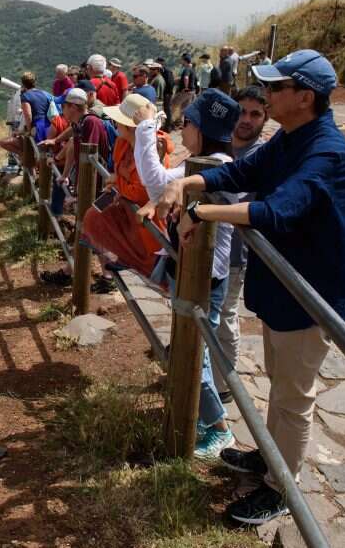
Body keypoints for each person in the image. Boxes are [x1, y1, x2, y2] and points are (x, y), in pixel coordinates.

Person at [139, 49, 345, 526]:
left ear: (304, 97)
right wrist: (190, 182)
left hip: (310, 297)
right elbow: (240, 173)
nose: (268, 94)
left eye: (277, 88)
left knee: (293, 399)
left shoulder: (326, 151)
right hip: (286, 291)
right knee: (279, 386)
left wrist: (202, 211)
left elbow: (278, 209)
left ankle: (281, 490)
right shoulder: (293, 138)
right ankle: (270, 459)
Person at [134, 89, 242, 458]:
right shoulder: (203, 162)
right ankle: (195, 414)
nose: (182, 131)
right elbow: (164, 186)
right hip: (197, 270)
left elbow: (155, 181)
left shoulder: (214, 167)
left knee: (197, 353)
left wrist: (146, 127)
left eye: (188, 123)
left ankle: (218, 428)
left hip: (205, 275)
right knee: (189, 345)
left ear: (203, 129)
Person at [80, 93, 173, 292]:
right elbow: (128, 181)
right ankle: (125, 259)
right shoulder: (123, 143)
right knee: (94, 217)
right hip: (128, 207)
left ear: (131, 127)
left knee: (145, 251)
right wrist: (121, 178)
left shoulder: (156, 149)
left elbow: (140, 192)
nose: (114, 123)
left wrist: (118, 179)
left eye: (119, 121)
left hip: (146, 214)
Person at [212, 86, 268, 403]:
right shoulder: (223, 147)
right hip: (211, 247)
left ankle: (223, 385)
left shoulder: (260, 157)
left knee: (225, 317)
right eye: (241, 112)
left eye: (255, 114)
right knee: (210, 314)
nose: (245, 120)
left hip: (234, 253)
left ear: (265, 117)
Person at [40, 88, 113, 286]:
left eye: (63, 105)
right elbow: (73, 142)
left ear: (73, 107)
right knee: (89, 231)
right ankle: (90, 274)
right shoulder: (81, 123)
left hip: (98, 189)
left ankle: (104, 275)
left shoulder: (91, 123)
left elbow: (92, 161)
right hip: (93, 188)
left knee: (91, 231)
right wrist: (65, 175)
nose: (61, 109)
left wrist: (82, 195)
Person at [0, 71, 52, 153]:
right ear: (34, 82)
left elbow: (28, 115)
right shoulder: (43, 93)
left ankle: (23, 157)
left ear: (23, 83)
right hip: (48, 125)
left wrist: (29, 131)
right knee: (46, 153)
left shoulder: (25, 96)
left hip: (38, 127)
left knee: (40, 155)